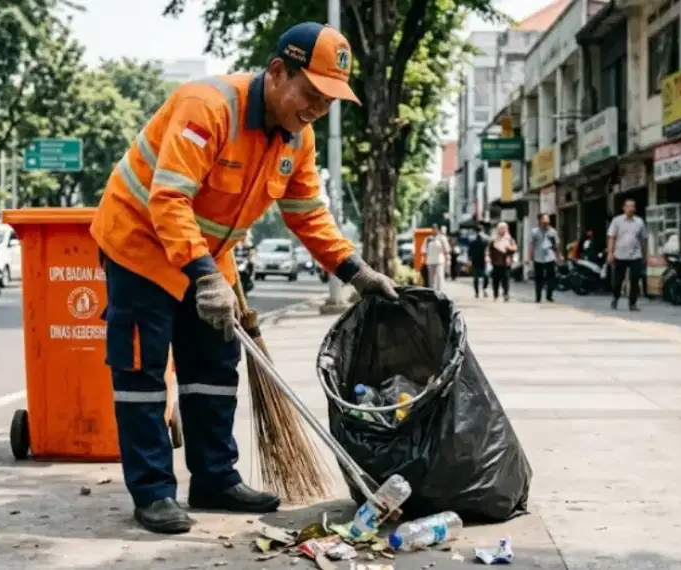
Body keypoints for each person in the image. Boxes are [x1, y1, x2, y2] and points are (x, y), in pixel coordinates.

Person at [89, 22, 398, 535]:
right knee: (143, 371)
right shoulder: (207, 106)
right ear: (278, 72)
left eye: (330, 100)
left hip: (208, 255)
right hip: (141, 245)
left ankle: (213, 479)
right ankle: (153, 493)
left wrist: (356, 270)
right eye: (313, 93)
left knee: (214, 364)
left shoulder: (296, 138)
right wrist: (204, 275)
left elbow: (307, 213)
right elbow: (168, 199)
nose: (319, 108)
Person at [607, 199, 646, 311]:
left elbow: (643, 239)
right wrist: (610, 253)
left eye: (633, 206)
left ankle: (632, 304)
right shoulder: (617, 221)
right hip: (619, 255)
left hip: (636, 255)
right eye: (628, 206)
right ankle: (615, 297)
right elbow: (612, 237)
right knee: (618, 280)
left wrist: (644, 255)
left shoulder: (639, 222)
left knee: (634, 280)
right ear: (624, 208)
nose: (631, 208)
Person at [529, 213, 560, 303]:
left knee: (552, 279)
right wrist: (530, 257)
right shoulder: (534, 231)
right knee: (539, 279)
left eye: (547, 221)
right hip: (538, 258)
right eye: (544, 221)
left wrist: (558, 255)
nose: (546, 223)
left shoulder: (553, 232)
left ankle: (549, 296)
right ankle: (538, 297)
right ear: (540, 221)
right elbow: (531, 245)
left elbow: (556, 245)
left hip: (550, 257)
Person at [489, 222, 517, 302]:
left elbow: (514, 248)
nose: (501, 230)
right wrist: (490, 258)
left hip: (506, 263)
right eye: (500, 228)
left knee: (506, 280)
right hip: (496, 263)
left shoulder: (510, 239)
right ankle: (496, 295)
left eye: (503, 228)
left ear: (506, 229)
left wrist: (509, 248)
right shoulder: (494, 239)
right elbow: (489, 250)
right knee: (496, 280)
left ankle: (506, 294)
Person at [467, 226, 489, 298]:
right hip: (477, 261)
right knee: (477, 278)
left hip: (481, 261)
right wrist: (469, 259)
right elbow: (470, 251)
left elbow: (488, 250)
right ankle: (477, 292)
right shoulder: (473, 240)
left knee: (485, 276)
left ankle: (484, 289)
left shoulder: (485, 240)